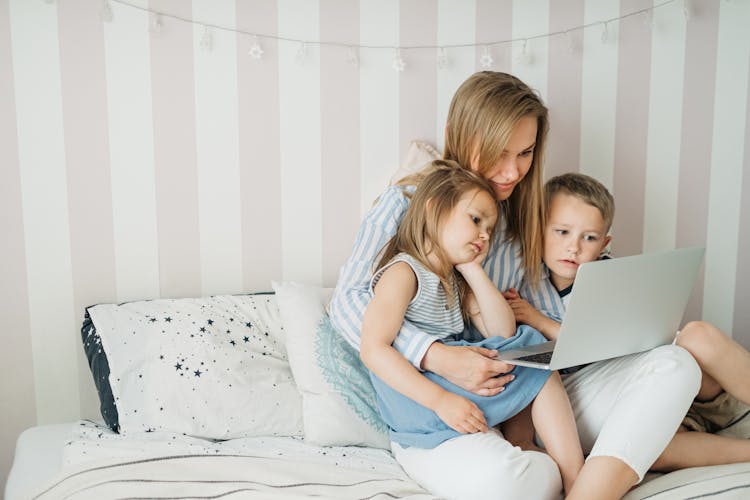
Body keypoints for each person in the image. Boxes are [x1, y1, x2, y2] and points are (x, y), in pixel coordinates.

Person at [329, 71, 701, 500]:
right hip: (451, 398)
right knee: (512, 478)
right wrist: (434, 356)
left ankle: (583, 487)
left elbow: (533, 320)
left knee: (678, 366)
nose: (510, 172)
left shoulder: (529, 215)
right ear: (457, 135)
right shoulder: (408, 206)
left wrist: (615, 321)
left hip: (533, 381)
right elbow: (347, 304)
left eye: (524, 154)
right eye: (499, 153)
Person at [360, 163, 583, 495]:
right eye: (476, 220)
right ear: (435, 209)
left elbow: (503, 329)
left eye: (490, 230)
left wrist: (472, 270)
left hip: (446, 391)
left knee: (530, 350)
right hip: (420, 399)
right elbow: (373, 349)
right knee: (535, 349)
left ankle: (541, 455)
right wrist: (440, 401)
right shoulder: (404, 272)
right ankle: (578, 480)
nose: (484, 236)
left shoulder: (454, 282)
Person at [504, 171, 750, 472]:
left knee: (698, 334)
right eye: (562, 232)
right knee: (650, 449)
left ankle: (734, 414)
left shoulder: (609, 279)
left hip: (684, 385)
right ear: (538, 228)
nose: (574, 247)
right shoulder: (524, 282)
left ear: (604, 243)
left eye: (589, 238)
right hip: (615, 397)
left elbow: (601, 342)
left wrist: (539, 319)